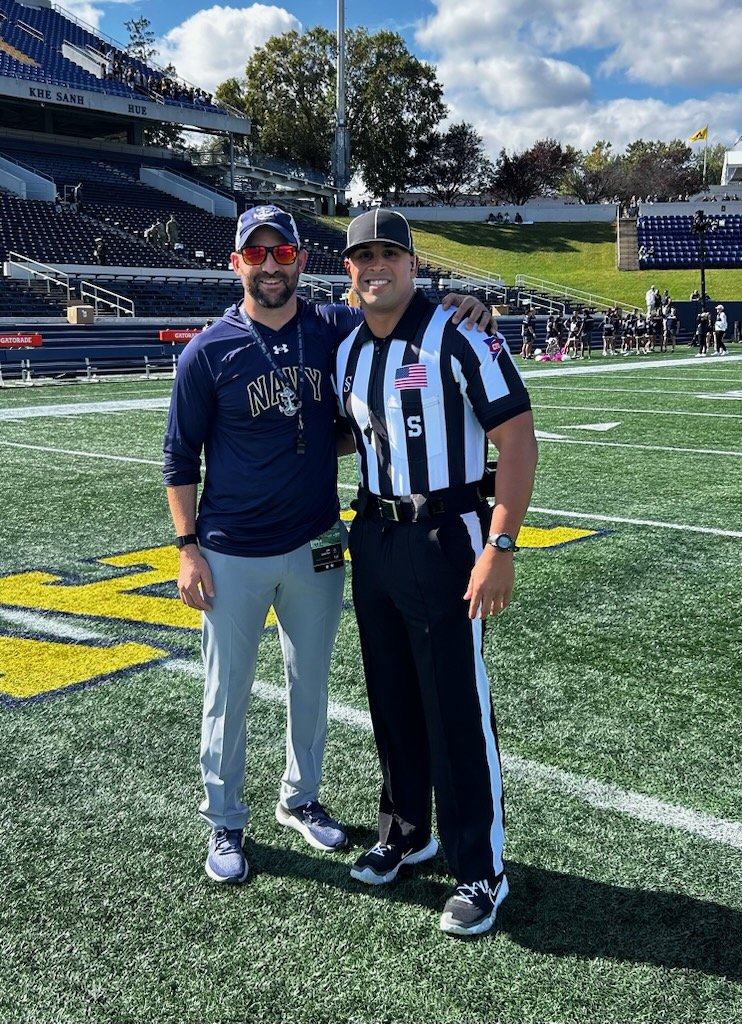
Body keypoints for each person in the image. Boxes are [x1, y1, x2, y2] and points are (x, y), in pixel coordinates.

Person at [162, 204, 495, 885]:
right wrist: (187, 546)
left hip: (317, 541)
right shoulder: (208, 350)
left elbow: (395, 312)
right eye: (255, 256)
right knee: (226, 694)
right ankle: (224, 820)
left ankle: (300, 798)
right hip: (230, 549)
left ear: (301, 261)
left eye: (282, 253)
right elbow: (178, 458)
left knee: (309, 684)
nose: (270, 266)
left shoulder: (333, 328)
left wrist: (469, 302)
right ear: (236, 264)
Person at [335, 209, 538, 938]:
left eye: (389, 252)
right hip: (375, 534)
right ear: (349, 268)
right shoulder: (349, 348)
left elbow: (516, 439)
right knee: (390, 696)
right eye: (363, 256)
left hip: (446, 532)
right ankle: (404, 830)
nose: (375, 265)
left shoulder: (462, 332)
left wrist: (500, 545)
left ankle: (481, 868)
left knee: (455, 706)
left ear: (413, 263)